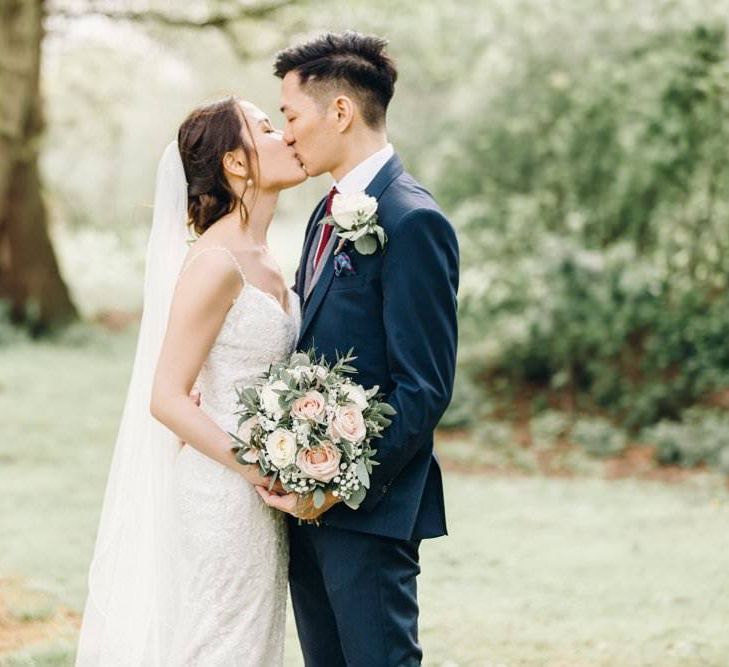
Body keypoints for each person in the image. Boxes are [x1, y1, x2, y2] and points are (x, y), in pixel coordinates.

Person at [75, 96, 306, 666]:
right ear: (236, 162)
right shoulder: (216, 261)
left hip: (261, 497)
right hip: (222, 493)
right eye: (268, 129)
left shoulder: (267, 258)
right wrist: (261, 468)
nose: (287, 137)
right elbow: (167, 398)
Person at [256, 31, 460, 666]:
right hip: (305, 509)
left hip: (370, 512)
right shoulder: (325, 212)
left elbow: (423, 387)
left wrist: (339, 484)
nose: (286, 134)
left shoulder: (412, 220)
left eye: (290, 115)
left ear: (339, 112)